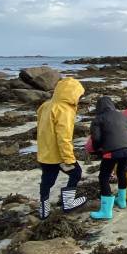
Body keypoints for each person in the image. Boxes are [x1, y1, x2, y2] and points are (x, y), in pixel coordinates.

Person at [36, 77, 86, 219]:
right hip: (58, 156)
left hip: (44, 152)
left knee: (47, 180)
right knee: (76, 173)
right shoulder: (64, 110)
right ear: (73, 93)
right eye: (79, 95)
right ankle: (68, 203)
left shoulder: (45, 105)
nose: (80, 98)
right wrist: (68, 159)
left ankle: (44, 209)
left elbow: (40, 127)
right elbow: (64, 138)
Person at [89, 97, 127, 220]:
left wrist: (97, 149)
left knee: (103, 176)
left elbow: (96, 139)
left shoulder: (98, 119)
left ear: (98, 107)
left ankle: (106, 211)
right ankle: (122, 201)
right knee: (121, 172)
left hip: (111, 151)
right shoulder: (123, 116)